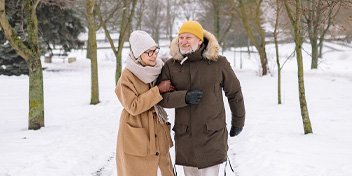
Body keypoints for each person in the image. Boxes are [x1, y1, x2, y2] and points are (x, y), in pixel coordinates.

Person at [158, 20, 246, 176]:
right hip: (186, 138)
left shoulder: (218, 64)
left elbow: (234, 93)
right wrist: (184, 97)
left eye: (188, 37)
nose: (183, 42)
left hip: (212, 135)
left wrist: (238, 122)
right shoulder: (171, 66)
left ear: (199, 40)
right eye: (181, 37)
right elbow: (162, 98)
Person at [115, 30, 175, 176]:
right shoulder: (127, 76)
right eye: (148, 52)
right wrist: (158, 90)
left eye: (155, 51)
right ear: (138, 54)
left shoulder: (159, 69)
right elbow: (133, 106)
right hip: (136, 132)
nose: (154, 55)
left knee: (164, 168)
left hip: (157, 130)